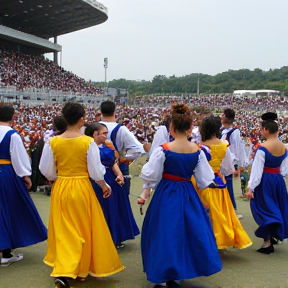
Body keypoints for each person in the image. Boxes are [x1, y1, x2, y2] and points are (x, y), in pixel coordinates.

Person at [39, 102, 124, 287]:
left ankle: (67, 267)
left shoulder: (52, 141)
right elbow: (95, 171)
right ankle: (76, 268)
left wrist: (59, 177)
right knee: (83, 228)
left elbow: (47, 171)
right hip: (82, 186)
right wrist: (103, 185)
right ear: (82, 120)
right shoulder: (87, 142)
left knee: (64, 228)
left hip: (61, 185)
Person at [140, 103, 222, 288]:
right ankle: (180, 270)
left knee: (164, 231)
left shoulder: (163, 149)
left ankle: (165, 272)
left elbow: (150, 175)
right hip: (187, 192)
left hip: (167, 192)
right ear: (191, 127)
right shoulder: (197, 151)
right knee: (188, 230)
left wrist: (146, 189)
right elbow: (205, 179)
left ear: (172, 127)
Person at [0, 105, 47, 267]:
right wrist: (26, 176)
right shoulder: (12, 135)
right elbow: (19, 158)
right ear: (12, 117)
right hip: (5, 174)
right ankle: (5, 252)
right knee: (8, 209)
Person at [198, 115, 252, 250]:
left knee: (203, 210)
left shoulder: (201, 147)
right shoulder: (223, 145)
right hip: (219, 180)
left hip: (201, 182)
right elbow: (228, 167)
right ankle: (221, 239)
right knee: (222, 212)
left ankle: (205, 240)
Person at [85, 122, 140, 249]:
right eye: (103, 133)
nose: (106, 135)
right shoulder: (86, 147)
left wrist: (119, 174)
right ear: (95, 134)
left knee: (112, 209)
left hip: (110, 180)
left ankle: (113, 237)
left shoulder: (107, 147)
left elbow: (113, 163)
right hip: (94, 181)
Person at [247, 112, 288, 254]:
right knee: (275, 206)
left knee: (264, 209)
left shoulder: (263, 148)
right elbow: (284, 169)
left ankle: (268, 241)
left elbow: (257, 171)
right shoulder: (284, 147)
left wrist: (250, 188)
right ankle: (274, 235)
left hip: (265, 180)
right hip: (278, 181)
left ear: (265, 129)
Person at [100, 101, 150, 196]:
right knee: (120, 201)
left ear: (101, 112)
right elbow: (138, 149)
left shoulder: (93, 128)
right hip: (118, 170)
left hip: (97, 170)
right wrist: (126, 157)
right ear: (115, 111)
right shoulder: (121, 129)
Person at [220, 108, 247, 219]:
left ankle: (233, 210)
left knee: (229, 186)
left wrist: (237, 165)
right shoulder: (221, 130)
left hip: (229, 162)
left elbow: (236, 149)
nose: (221, 116)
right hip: (221, 162)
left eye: (222, 114)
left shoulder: (234, 132)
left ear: (227, 117)